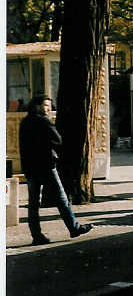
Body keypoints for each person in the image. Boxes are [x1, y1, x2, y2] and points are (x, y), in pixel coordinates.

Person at [18, 95, 93, 245]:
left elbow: (22, 147)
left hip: (30, 168)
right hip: (46, 166)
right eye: (45, 105)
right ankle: (74, 227)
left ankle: (37, 235)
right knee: (61, 198)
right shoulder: (43, 122)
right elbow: (58, 140)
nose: (48, 109)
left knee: (33, 203)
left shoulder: (25, 122)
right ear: (37, 106)